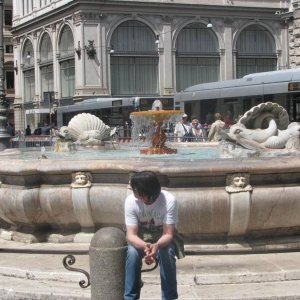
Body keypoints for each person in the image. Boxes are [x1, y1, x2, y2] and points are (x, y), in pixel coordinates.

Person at [124, 171, 184, 300]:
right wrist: (146, 246)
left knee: (166, 253)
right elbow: (131, 235)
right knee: (132, 254)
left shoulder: (169, 200)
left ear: (148, 191)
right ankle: (130, 297)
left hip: (162, 237)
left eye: (137, 191)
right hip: (140, 238)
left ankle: (169, 297)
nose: (135, 193)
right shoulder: (131, 201)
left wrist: (156, 246)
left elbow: (168, 233)